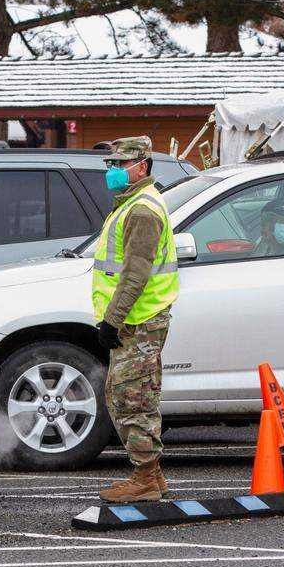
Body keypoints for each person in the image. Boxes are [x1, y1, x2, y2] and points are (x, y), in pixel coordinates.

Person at [92, 135, 179, 503]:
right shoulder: (133, 204)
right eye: (110, 164)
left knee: (131, 399)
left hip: (138, 320)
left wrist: (112, 320)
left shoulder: (141, 209)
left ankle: (144, 478)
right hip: (138, 319)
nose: (112, 170)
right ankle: (151, 475)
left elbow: (134, 274)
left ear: (141, 166)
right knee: (130, 395)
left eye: (119, 164)